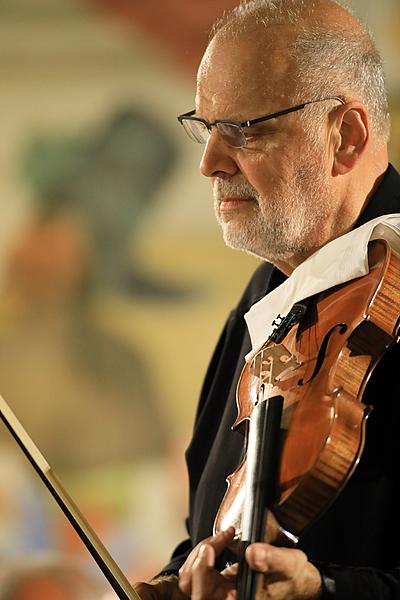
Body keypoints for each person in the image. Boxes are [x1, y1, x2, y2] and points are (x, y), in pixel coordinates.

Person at [134, 0, 400, 598]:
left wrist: (326, 590)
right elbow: (206, 530)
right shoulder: (267, 295)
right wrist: (174, 584)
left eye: (245, 129)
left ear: (347, 136)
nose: (208, 163)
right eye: (206, 127)